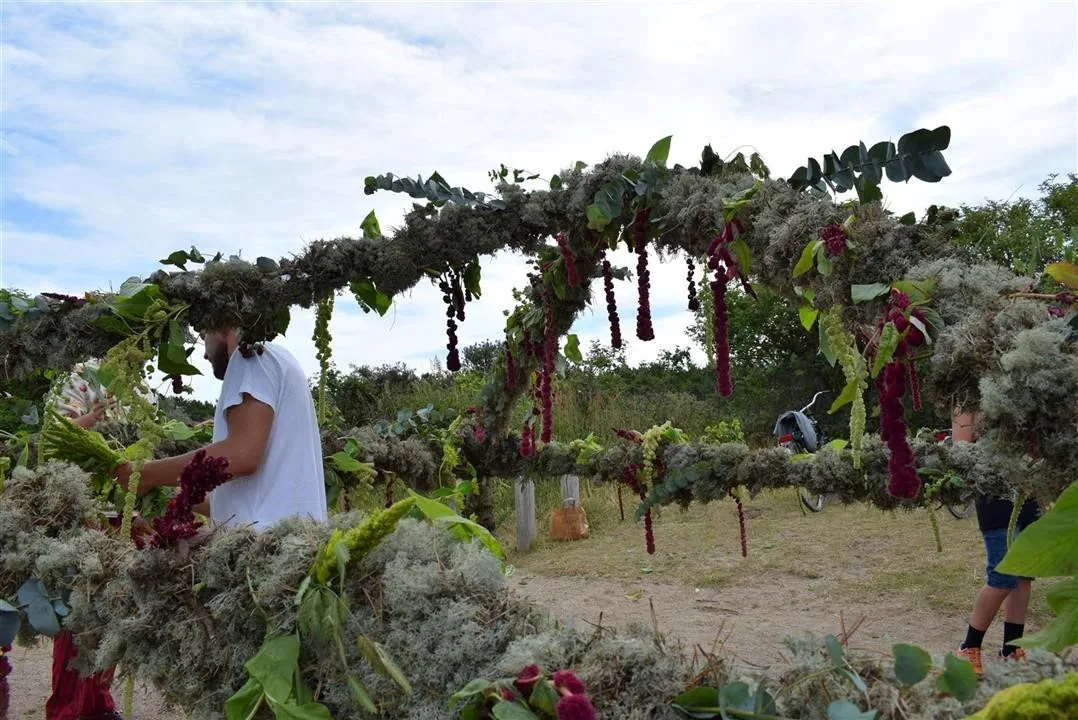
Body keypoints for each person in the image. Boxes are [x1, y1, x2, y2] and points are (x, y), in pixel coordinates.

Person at [115, 330, 328, 530]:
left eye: (203, 333)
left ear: (220, 327)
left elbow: (241, 455)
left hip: (265, 549)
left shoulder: (251, 355)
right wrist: (174, 496)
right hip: (284, 545)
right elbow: (247, 495)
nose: (204, 353)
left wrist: (144, 474)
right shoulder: (279, 359)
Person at [951, 409, 1040, 678]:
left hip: (1028, 488)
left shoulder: (1024, 387)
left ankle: (1011, 650)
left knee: (1024, 574)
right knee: (1002, 576)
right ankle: (968, 647)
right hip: (994, 492)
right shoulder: (968, 398)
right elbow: (961, 448)